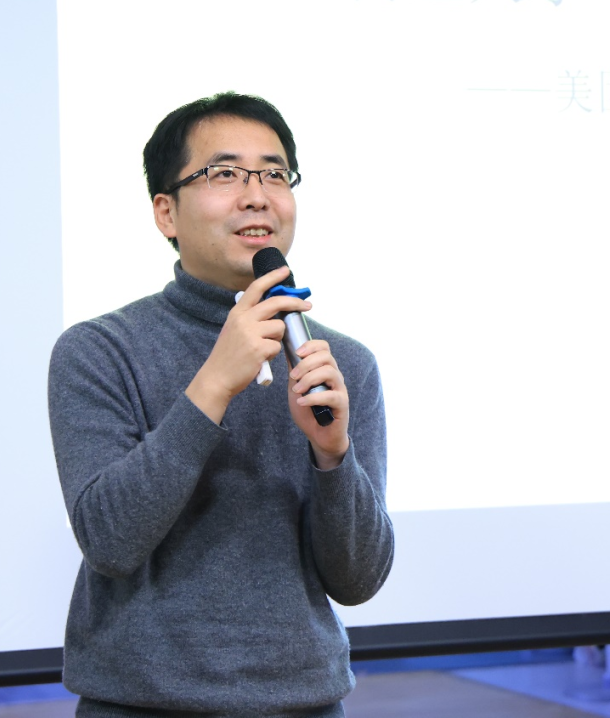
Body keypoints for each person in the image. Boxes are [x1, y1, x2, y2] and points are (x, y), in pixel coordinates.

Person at [47, 92, 394, 717]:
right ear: (166, 212)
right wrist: (212, 386)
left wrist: (332, 455)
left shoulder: (339, 362)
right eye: (225, 173)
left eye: (274, 175)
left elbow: (359, 579)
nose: (257, 196)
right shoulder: (99, 350)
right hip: (141, 706)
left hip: (304, 702)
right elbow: (110, 542)